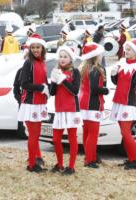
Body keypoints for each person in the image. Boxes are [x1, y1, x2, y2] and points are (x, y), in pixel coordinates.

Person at [110, 40, 136, 170]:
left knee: (126, 133)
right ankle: (131, 159)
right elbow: (116, 82)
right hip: (119, 100)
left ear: (135, 52)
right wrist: (113, 74)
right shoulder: (121, 63)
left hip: (128, 103)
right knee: (123, 132)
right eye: (125, 49)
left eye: (129, 49)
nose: (126, 51)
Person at [17, 34, 49, 172]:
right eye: (33, 47)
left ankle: (36, 159)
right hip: (31, 104)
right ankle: (31, 164)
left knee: (35, 136)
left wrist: (50, 86)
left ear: (42, 48)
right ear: (30, 49)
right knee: (34, 135)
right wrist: (40, 87)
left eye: (38, 47)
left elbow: (44, 83)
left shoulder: (43, 62)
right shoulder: (28, 63)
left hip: (40, 103)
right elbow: (24, 84)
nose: (36, 50)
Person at [49, 46, 81, 175]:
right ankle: (60, 164)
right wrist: (54, 81)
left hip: (72, 109)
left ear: (70, 59)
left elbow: (75, 91)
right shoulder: (56, 71)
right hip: (59, 109)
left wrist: (63, 80)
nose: (62, 59)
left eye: (65, 56)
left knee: (72, 138)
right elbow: (52, 93)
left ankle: (71, 166)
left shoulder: (75, 72)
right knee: (56, 139)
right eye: (61, 56)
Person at [79, 42, 109, 168]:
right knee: (93, 134)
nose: (102, 56)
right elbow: (95, 89)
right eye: (100, 54)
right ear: (95, 56)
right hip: (93, 104)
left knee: (87, 132)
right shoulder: (95, 69)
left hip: (83, 103)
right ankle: (90, 160)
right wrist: (106, 90)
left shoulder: (84, 68)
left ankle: (89, 157)